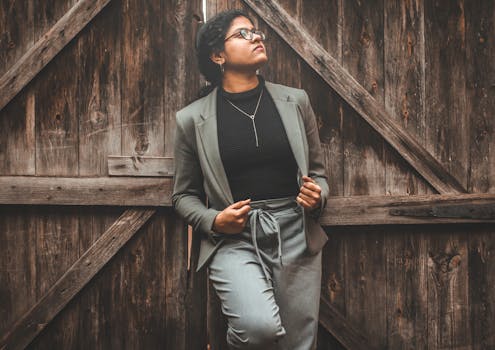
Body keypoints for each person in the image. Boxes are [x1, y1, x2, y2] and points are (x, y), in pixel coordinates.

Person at [172, 9, 329, 349]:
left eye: (256, 31)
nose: (256, 37)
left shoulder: (295, 101)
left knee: (298, 344)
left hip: (296, 232)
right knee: (258, 329)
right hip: (234, 238)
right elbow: (183, 195)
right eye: (242, 34)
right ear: (218, 55)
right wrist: (215, 220)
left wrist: (319, 196)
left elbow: (317, 172)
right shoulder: (192, 120)